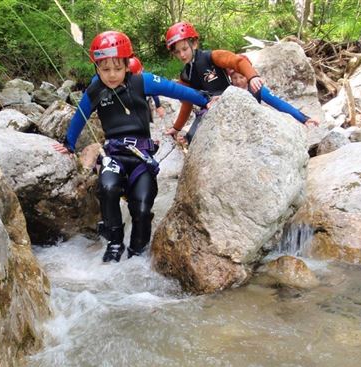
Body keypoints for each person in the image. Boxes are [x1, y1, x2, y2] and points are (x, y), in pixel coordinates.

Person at [53, 31, 210, 262]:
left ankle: (137, 251)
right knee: (107, 188)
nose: (112, 75)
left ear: (128, 64)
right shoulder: (95, 90)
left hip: (141, 157)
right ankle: (115, 243)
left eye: (118, 68)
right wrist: (68, 143)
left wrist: (205, 100)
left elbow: (177, 91)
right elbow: (80, 116)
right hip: (113, 155)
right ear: (96, 68)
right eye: (105, 70)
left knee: (143, 206)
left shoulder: (141, 81)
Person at [164, 21, 264, 144]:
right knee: (190, 139)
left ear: (194, 43)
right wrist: (177, 128)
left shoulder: (212, 56)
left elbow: (238, 61)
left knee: (257, 89)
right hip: (207, 110)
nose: (182, 55)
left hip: (230, 98)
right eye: (177, 52)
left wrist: (252, 77)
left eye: (184, 49)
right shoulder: (186, 75)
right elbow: (187, 102)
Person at [228, 54, 320, 127]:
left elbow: (279, 104)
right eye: (234, 78)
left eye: (241, 77)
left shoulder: (256, 88)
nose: (238, 81)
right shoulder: (228, 90)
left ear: (248, 76)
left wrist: (304, 119)